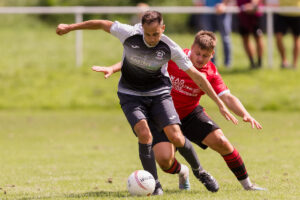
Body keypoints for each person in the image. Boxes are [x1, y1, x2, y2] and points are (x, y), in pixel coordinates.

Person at [56, 10, 238, 195]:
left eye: (156, 34)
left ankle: (200, 172)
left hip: (159, 95)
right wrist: (71, 27)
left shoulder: (170, 47)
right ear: (141, 28)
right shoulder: (128, 33)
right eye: (148, 34)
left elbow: (198, 77)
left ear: (163, 28)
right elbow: (102, 23)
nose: (151, 39)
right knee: (144, 134)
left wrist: (220, 104)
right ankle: (155, 185)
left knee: (176, 136)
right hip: (130, 95)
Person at [97, 30, 266, 191]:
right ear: (191, 48)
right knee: (164, 161)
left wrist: (245, 114)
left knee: (221, 141)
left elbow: (227, 97)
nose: (200, 59)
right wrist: (113, 68)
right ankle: (183, 172)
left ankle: (248, 185)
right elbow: (140, 59)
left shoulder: (211, 73)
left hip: (189, 114)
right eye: (197, 53)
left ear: (212, 55)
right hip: (160, 114)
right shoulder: (175, 55)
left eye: (205, 56)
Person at [199, 0, 233, 68]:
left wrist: (224, 4)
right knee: (208, 40)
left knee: (225, 38)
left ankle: (227, 64)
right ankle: (211, 64)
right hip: (207, 11)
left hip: (222, 11)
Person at [236, 0, 264, 69]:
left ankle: (259, 62)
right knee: (245, 39)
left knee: (258, 37)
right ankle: (252, 62)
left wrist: (252, 5)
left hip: (255, 14)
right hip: (243, 16)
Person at [274, 0, 300, 69]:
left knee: (296, 38)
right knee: (278, 37)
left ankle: (294, 64)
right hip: (282, 13)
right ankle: (284, 61)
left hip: (297, 13)